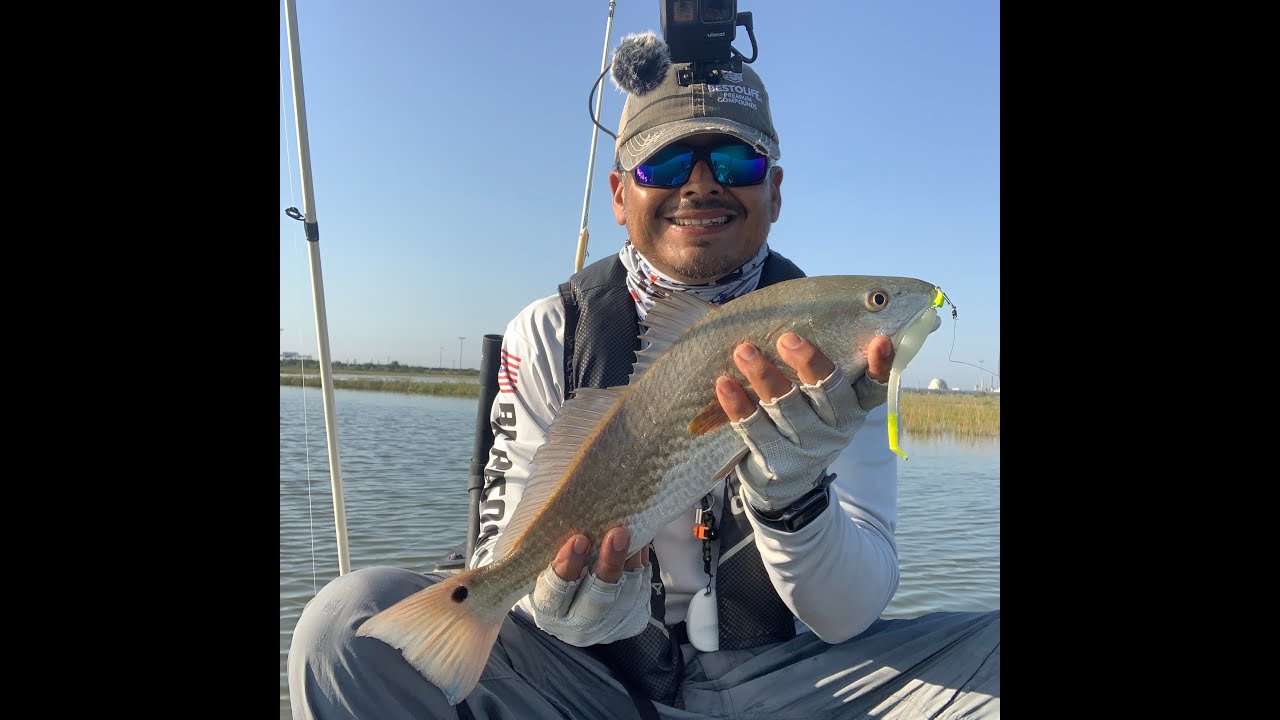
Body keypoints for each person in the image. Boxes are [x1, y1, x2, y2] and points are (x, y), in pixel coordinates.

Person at [289, 55, 999, 720]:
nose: (699, 183)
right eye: (662, 162)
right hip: (594, 682)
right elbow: (500, 559)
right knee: (343, 630)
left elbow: (848, 615)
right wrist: (581, 605)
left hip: (799, 679)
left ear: (774, 190)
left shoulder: (840, 357)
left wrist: (795, 496)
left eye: (734, 159)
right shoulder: (548, 332)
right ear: (620, 193)